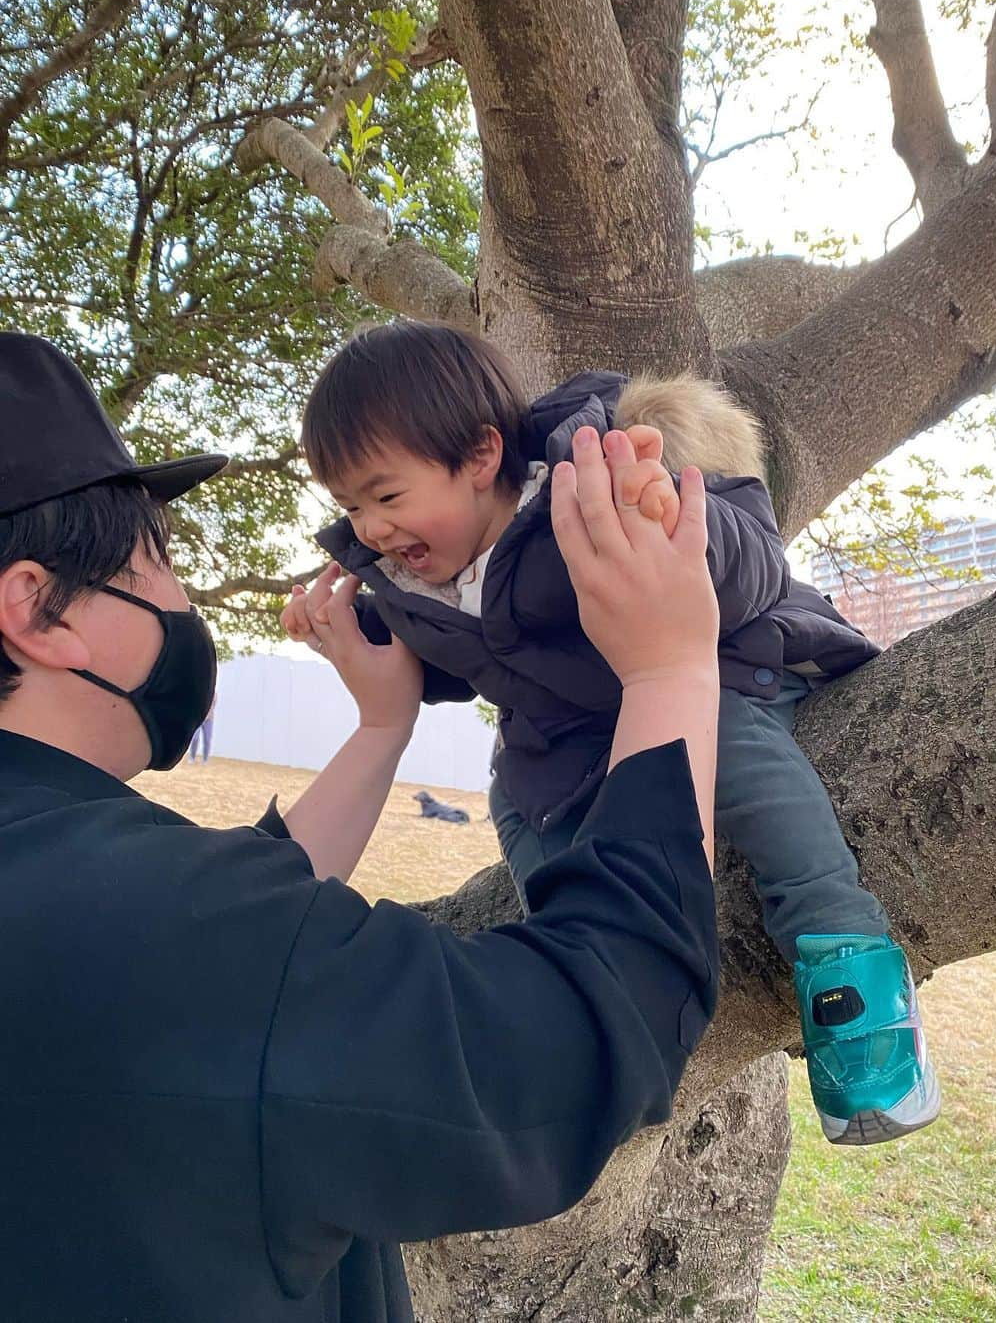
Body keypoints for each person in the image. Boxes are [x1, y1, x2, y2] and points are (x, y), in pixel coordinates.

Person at [0, 331, 724, 1323]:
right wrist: (671, 669)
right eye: (156, 563)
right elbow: (588, 1036)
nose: (177, 602)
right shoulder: (172, 932)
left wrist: (383, 725)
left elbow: (211, 934)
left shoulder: (103, 899)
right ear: (39, 611)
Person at [287, 321, 941, 1147]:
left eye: (386, 497)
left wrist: (675, 525)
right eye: (351, 508)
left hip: (719, 669)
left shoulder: (601, 475)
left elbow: (756, 567)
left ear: (483, 456)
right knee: (517, 799)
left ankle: (844, 948)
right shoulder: (423, 586)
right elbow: (476, 663)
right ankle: (581, 975)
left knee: (734, 748)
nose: (372, 529)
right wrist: (364, 640)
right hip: (576, 735)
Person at [188, 691, 217, 762]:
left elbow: (212, 707)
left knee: (207, 740)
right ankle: (192, 757)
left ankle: (205, 759)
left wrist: (206, 717)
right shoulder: (199, 692)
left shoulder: (214, 694)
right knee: (195, 738)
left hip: (209, 719)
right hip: (198, 719)